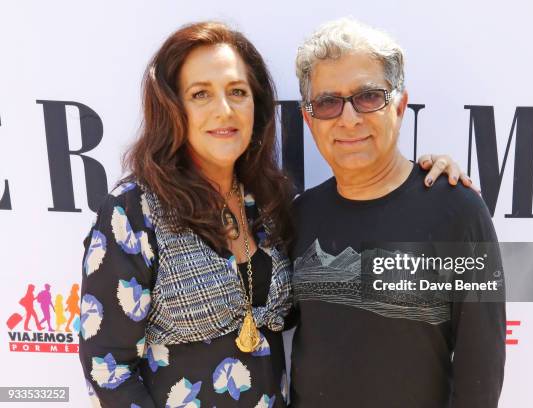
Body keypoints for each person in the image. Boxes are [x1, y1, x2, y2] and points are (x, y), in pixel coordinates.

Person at [79, 21, 471, 407]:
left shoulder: (267, 206)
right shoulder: (134, 211)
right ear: (173, 108)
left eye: (237, 91)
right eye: (200, 94)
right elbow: (107, 368)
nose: (224, 110)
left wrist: (424, 187)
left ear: (256, 104)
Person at [288, 18, 506, 407]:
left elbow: (482, 369)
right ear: (309, 119)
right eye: (327, 102)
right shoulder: (300, 216)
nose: (349, 118)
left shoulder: (457, 210)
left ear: (400, 107)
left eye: (369, 97)